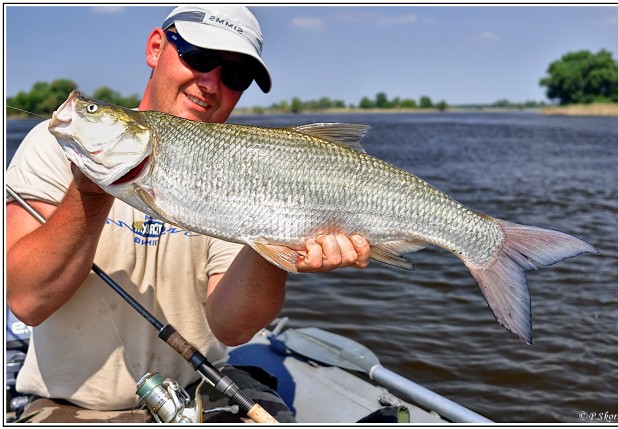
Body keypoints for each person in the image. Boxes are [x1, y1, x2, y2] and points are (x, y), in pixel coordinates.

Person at [6, 5, 370, 423]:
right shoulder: (54, 146)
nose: (211, 82)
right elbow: (27, 301)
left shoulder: (243, 165)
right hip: (72, 407)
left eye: (235, 76)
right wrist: (90, 192)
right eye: (199, 57)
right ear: (156, 48)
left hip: (203, 393)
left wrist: (279, 236)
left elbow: (232, 328)